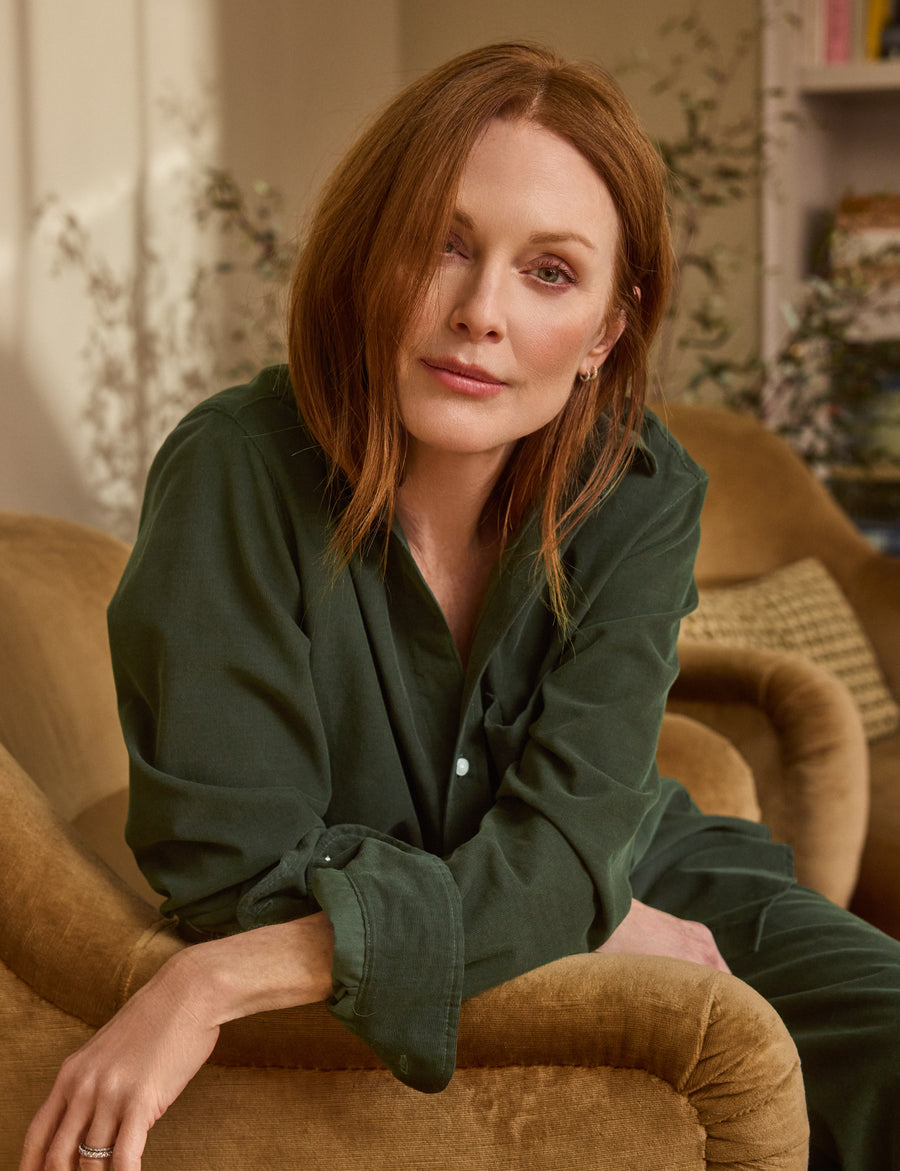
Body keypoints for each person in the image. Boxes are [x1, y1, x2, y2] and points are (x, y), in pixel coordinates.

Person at [19, 41, 900, 1171]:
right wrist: (575, 910)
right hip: (570, 904)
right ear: (367, 257)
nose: (481, 310)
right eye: (442, 243)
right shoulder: (232, 475)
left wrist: (224, 978)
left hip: (659, 871)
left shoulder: (641, 490)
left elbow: (585, 834)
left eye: (550, 272)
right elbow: (236, 869)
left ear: (604, 335)